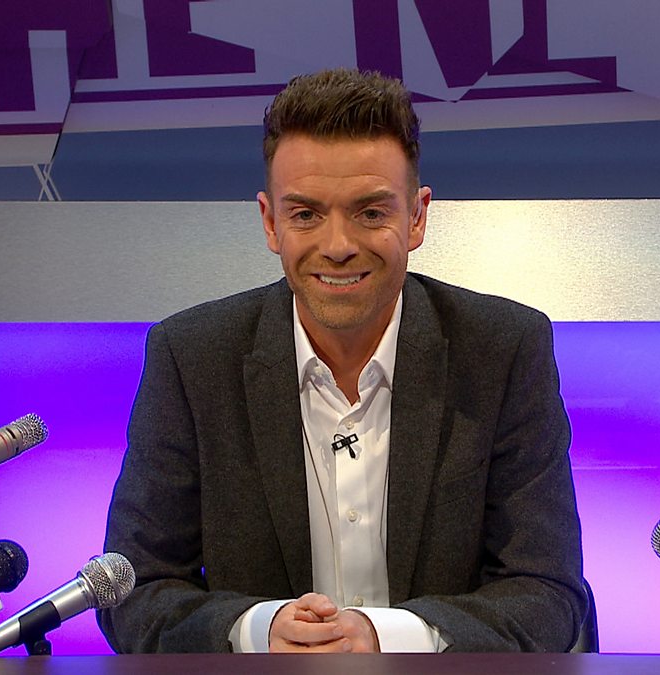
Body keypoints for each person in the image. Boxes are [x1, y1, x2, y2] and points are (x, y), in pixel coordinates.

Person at [99, 68, 586, 653]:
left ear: (417, 217)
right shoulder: (193, 355)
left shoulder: (503, 349)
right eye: (306, 214)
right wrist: (257, 631)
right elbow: (133, 589)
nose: (337, 246)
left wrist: (389, 638)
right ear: (270, 222)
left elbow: (547, 592)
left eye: (370, 213)